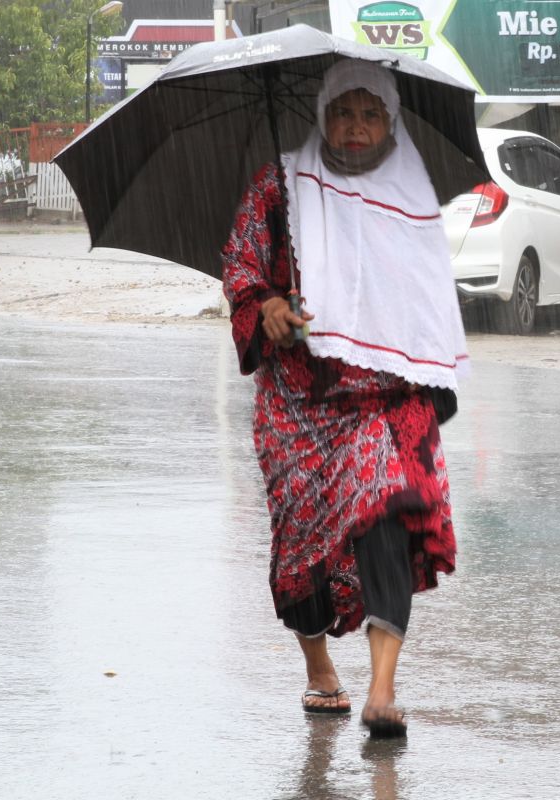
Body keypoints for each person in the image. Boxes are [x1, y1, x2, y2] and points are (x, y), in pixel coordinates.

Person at [221, 59, 468, 738]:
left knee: (384, 512)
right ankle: (319, 665)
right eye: (342, 112)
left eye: (370, 114)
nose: (354, 128)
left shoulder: (411, 199)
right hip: (297, 403)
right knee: (300, 543)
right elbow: (241, 268)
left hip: (380, 402)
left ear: (390, 122)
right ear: (322, 116)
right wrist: (267, 304)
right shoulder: (279, 185)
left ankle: (383, 689)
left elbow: (424, 302)